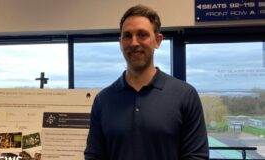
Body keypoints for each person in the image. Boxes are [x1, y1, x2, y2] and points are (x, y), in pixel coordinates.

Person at [84, 4, 209, 160]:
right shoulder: (103, 100)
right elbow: (94, 156)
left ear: (157, 40)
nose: (134, 43)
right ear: (120, 42)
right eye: (127, 36)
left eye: (142, 35)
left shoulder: (185, 95)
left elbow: (196, 157)